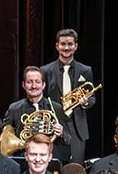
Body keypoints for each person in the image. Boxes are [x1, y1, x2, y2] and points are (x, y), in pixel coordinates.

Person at [41, 28, 97, 162]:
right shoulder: (45, 70)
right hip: (54, 125)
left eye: (70, 44)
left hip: (77, 127)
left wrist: (86, 102)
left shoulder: (86, 70)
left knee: (74, 169)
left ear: (75, 46)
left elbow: (92, 97)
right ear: (57, 46)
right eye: (63, 44)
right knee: (53, 165)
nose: (66, 47)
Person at [3, 66, 66, 160]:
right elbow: (5, 135)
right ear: (23, 85)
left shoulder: (56, 108)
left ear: (43, 85)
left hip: (49, 158)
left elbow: (69, 139)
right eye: (29, 82)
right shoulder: (14, 108)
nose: (34, 86)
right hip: (23, 157)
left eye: (37, 82)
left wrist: (61, 133)